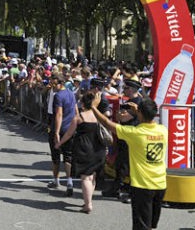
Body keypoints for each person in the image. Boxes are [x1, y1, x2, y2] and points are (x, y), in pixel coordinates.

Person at [91, 95, 167, 230]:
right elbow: (146, 119)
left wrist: (93, 107)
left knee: (141, 225)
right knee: (151, 224)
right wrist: (138, 110)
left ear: (140, 114)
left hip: (143, 186)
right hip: (160, 184)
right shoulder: (163, 130)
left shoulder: (134, 133)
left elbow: (107, 124)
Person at [58, 92, 106, 212]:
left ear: (83, 104)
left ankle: (88, 204)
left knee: (85, 177)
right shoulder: (100, 117)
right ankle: (88, 200)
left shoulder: (79, 117)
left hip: (84, 149)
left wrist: (59, 143)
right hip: (99, 149)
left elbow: (69, 134)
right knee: (92, 177)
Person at [105, 78, 142, 202]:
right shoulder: (129, 101)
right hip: (124, 135)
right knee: (121, 163)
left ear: (131, 89)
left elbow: (124, 118)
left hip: (132, 137)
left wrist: (120, 115)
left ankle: (130, 192)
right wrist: (120, 115)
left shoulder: (138, 102)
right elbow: (118, 116)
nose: (124, 90)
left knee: (129, 165)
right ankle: (116, 188)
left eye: (126, 88)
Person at [47, 75, 76, 197]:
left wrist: (56, 132)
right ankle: (69, 182)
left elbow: (58, 114)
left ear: (61, 83)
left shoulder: (58, 95)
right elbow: (76, 110)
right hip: (70, 128)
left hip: (59, 128)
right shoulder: (71, 93)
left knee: (56, 155)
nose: (53, 87)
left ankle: (56, 180)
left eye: (54, 84)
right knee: (68, 156)